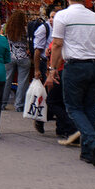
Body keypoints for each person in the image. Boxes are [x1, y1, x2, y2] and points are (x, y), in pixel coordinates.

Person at [48, 0, 95, 167]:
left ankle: (92, 140)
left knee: (73, 108)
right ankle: (88, 153)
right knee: (89, 108)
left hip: (75, 66)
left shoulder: (62, 16)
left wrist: (52, 70)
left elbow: (57, 44)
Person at [33, 8, 77, 141]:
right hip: (56, 71)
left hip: (61, 72)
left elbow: (59, 51)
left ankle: (69, 128)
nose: (51, 20)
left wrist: (52, 70)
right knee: (58, 100)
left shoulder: (62, 36)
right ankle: (62, 128)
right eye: (50, 17)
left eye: (55, 17)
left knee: (53, 101)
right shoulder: (56, 34)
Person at [2, 10, 31, 111]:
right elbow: (29, 43)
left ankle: (2, 103)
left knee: (7, 80)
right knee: (22, 81)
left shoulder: (7, 28)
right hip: (23, 57)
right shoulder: (26, 30)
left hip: (10, 56)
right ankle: (19, 105)